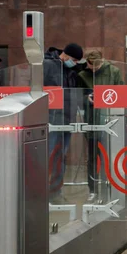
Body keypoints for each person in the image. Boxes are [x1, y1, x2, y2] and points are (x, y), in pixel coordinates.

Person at [77, 51, 123, 203]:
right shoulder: (83, 75)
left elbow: (122, 95)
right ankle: (93, 189)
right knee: (92, 158)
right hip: (91, 121)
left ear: (103, 61)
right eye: (92, 66)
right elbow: (76, 96)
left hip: (110, 121)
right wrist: (86, 98)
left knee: (108, 157)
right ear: (87, 63)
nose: (95, 69)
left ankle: (109, 187)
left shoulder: (113, 72)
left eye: (98, 66)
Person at [43, 43, 84, 204]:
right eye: (73, 59)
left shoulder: (70, 71)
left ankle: (55, 193)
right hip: (51, 119)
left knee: (60, 157)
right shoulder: (47, 65)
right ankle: (39, 193)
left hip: (66, 119)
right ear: (65, 55)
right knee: (49, 156)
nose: (74, 63)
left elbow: (71, 94)